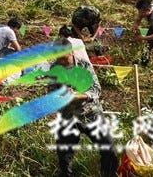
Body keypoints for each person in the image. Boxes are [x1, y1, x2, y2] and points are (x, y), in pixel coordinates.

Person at [50, 39, 118, 177]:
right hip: (67, 116)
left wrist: (78, 96)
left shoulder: (84, 65)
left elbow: (96, 89)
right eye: (58, 58)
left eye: (64, 58)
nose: (62, 61)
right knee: (64, 156)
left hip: (90, 113)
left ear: (71, 52)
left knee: (109, 149)